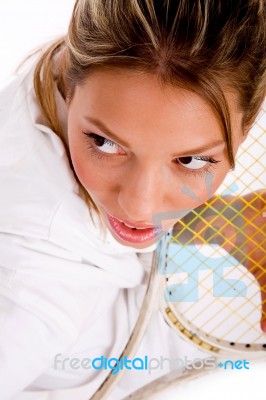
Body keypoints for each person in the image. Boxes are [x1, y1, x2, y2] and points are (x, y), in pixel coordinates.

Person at [0, 0, 265, 399]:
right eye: (105, 143)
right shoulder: (28, 296)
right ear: (70, 87)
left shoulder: (82, 71)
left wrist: (228, 225)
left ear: (248, 124)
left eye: (190, 159)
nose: (140, 209)